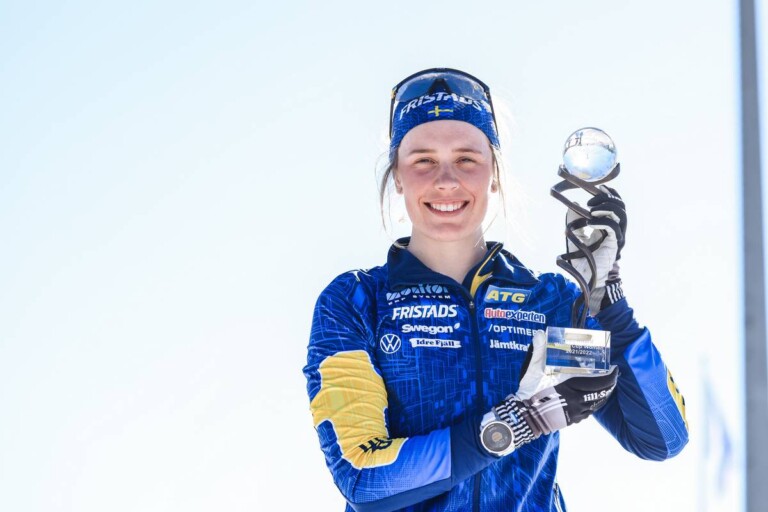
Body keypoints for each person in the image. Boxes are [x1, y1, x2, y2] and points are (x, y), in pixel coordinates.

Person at [303, 68, 688, 512]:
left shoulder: (548, 306)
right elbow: (364, 477)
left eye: (467, 159)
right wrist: (520, 422)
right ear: (397, 176)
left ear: (496, 174)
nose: (446, 180)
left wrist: (607, 302)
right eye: (423, 160)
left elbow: (661, 437)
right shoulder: (357, 303)